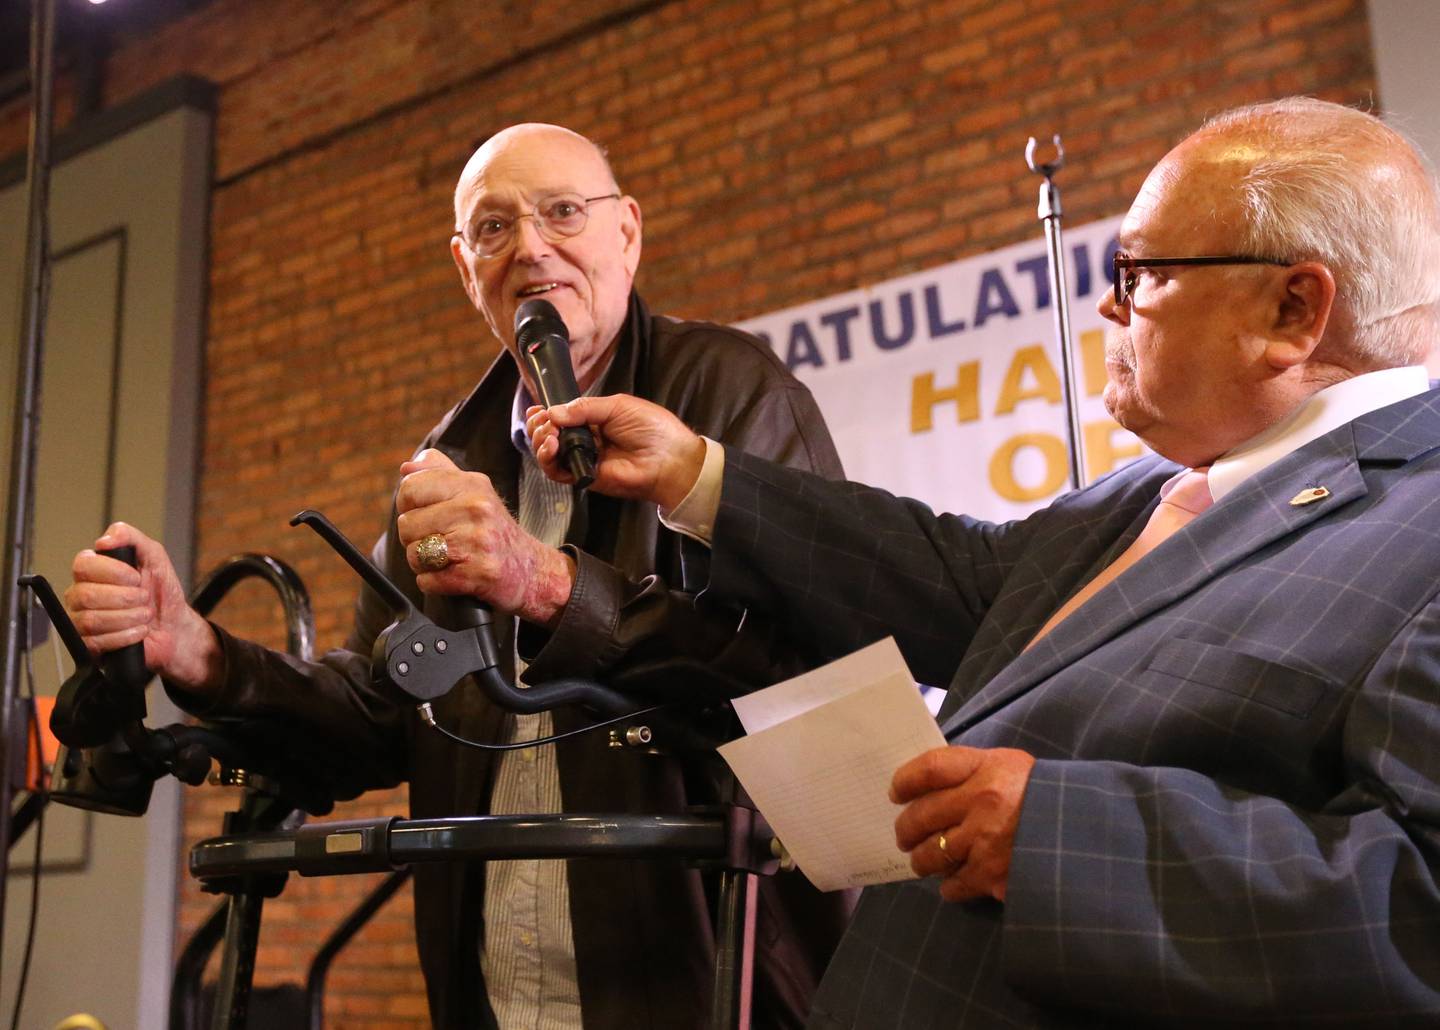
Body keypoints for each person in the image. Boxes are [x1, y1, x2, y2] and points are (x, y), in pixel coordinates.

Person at [529, 98, 1440, 1025]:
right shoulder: (1150, 491)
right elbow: (964, 581)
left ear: (1294, 307)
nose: (1109, 303)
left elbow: (1418, 909)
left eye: (1142, 272)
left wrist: (1060, 838)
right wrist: (692, 471)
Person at [64, 123, 851, 1029]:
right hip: (501, 999)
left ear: (626, 232)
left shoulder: (732, 394)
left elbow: (799, 671)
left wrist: (547, 585)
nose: (531, 247)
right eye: (493, 228)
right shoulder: (452, 457)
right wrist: (201, 654)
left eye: (563, 212)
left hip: (712, 991)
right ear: (463, 266)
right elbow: (378, 712)